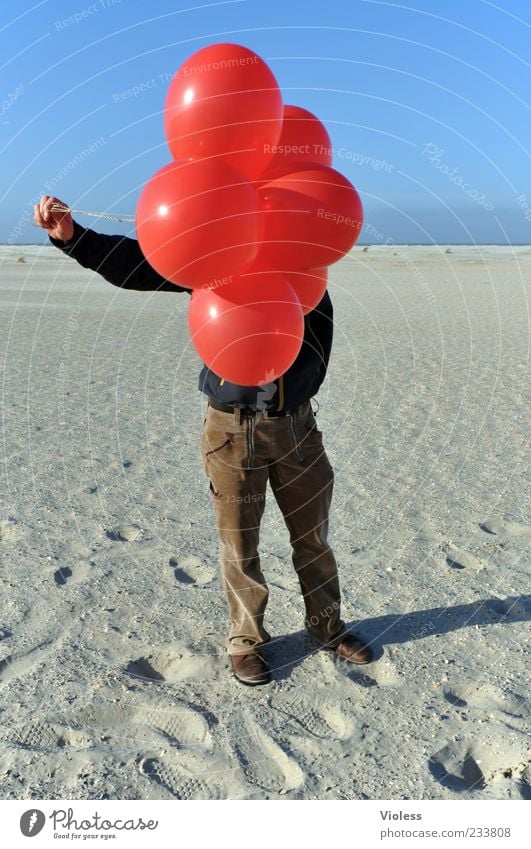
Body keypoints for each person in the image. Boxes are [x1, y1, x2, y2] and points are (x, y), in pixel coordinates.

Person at [35, 195, 374, 685]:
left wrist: (298, 392)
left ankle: (326, 627)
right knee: (239, 542)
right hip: (230, 429)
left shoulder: (305, 268)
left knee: (313, 537)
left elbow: (319, 341)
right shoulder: (212, 265)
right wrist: (74, 238)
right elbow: (136, 265)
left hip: (297, 428)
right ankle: (247, 641)